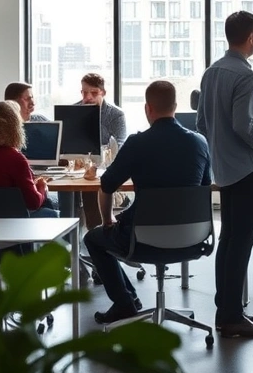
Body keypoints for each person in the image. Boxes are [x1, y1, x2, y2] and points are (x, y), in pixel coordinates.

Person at [83, 81, 211, 324]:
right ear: (175, 107)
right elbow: (204, 189)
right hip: (192, 239)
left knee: (93, 238)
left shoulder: (137, 143)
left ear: (147, 109)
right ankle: (127, 300)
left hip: (142, 240)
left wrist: (107, 220)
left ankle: (125, 303)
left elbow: (107, 186)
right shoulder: (200, 143)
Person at [197, 10, 253, 339]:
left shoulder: (211, 72)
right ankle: (231, 316)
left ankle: (226, 310)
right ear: (250, 38)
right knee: (241, 243)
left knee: (229, 240)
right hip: (248, 168)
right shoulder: (246, 76)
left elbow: (202, 124)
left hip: (224, 169)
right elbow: (244, 126)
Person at [75, 73, 127, 230]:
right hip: (77, 167)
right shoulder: (74, 111)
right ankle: (72, 237)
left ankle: (97, 233)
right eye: (84, 92)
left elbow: (120, 145)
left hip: (104, 167)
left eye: (94, 93)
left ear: (103, 93)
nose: (88, 97)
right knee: (69, 192)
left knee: (94, 187)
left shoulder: (116, 114)